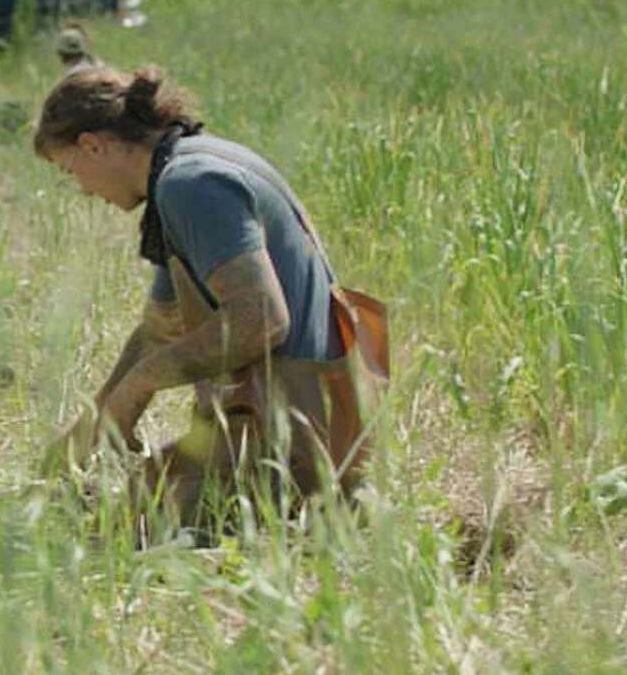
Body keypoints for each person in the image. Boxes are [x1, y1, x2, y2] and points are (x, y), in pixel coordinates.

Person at [31, 65, 380, 538]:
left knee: (119, 531)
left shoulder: (189, 184)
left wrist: (138, 386)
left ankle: (325, 510)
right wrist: (92, 426)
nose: (82, 189)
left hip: (293, 431)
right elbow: (160, 329)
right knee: (122, 512)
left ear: (93, 144)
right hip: (309, 416)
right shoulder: (186, 168)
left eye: (71, 170)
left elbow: (260, 320)